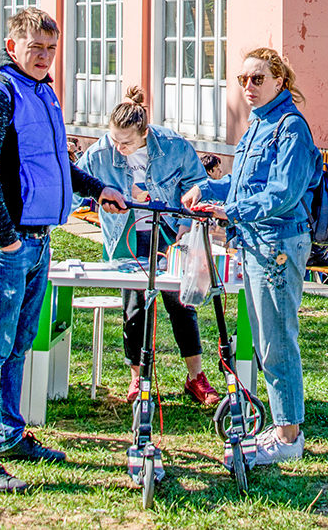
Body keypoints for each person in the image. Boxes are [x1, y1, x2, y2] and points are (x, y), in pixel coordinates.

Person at [0, 9, 125, 492]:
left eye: (50, 49)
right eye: (35, 49)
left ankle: (9, 434)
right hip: (4, 242)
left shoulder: (43, 91)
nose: (44, 57)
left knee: (18, 343)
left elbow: (55, 164)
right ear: (13, 47)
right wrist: (6, 238)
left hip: (37, 239)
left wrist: (97, 189)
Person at [184, 47, 320, 468]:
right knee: (265, 342)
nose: (248, 87)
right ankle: (281, 425)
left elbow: (284, 193)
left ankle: (288, 436)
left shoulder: (290, 127)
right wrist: (207, 190)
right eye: (242, 80)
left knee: (277, 342)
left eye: (257, 79)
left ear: (280, 81)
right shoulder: (258, 124)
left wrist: (233, 211)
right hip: (257, 243)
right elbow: (241, 185)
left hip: (279, 245)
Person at [75, 86, 220, 407]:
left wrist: (186, 225)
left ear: (145, 133)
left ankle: (195, 377)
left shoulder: (172, 146)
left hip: (167, 234)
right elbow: (72, 185)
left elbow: (198, 184)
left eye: (126, 142)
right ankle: (138, 379)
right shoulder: (100, 153)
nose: (119, 148)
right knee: (135, 308)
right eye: (114, 140)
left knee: (181, 304)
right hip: (124, 236)